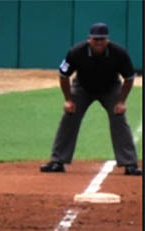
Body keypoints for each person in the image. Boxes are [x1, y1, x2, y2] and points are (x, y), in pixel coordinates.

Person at [40, 22, 142, 176]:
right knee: (69, 116)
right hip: (83, 88)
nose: (99, 43)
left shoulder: (119, 53)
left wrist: (121, 102)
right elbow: (63, 75)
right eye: (96, 39)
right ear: (89, 39)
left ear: (107, 40)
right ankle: (57, 161)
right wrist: (68, 100)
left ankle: (130, 164)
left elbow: (128, 78)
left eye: (102, 39)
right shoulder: (76, 52)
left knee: (119, 118)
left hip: (111, 88)